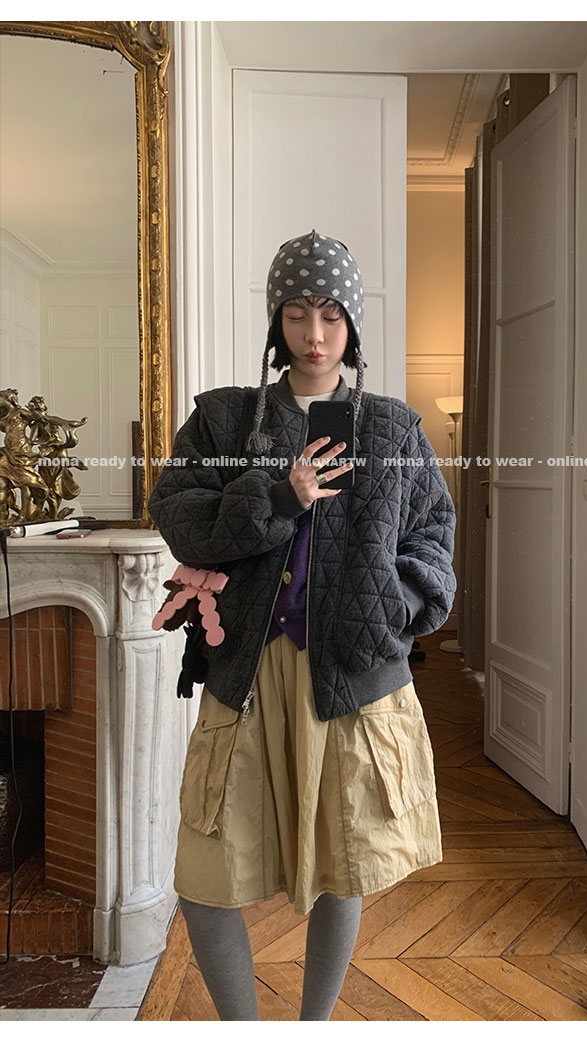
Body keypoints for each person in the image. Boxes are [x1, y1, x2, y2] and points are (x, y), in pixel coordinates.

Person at [148, 230, 457, 1020]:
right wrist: (279, 497)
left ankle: (311, 1029)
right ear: (274, 320)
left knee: (340, 868)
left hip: (350, 677)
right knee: (205, 877)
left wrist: (389, 609)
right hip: (247, 674)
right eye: (295, 313)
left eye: (330, 314)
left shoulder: (392, 430)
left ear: (352, 322)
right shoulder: (224, 420)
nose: (313, 334)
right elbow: (178, 516)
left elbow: (433, 544)